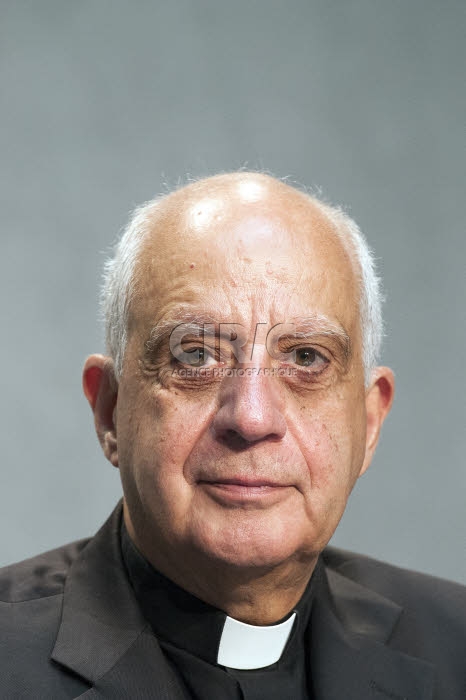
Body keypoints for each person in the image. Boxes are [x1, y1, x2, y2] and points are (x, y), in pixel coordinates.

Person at [0, 173, 464, 699]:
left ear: (370, 421)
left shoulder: (455, 646)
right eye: (195, 355)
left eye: (306, 358)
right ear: (110, 410)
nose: (251, 418)